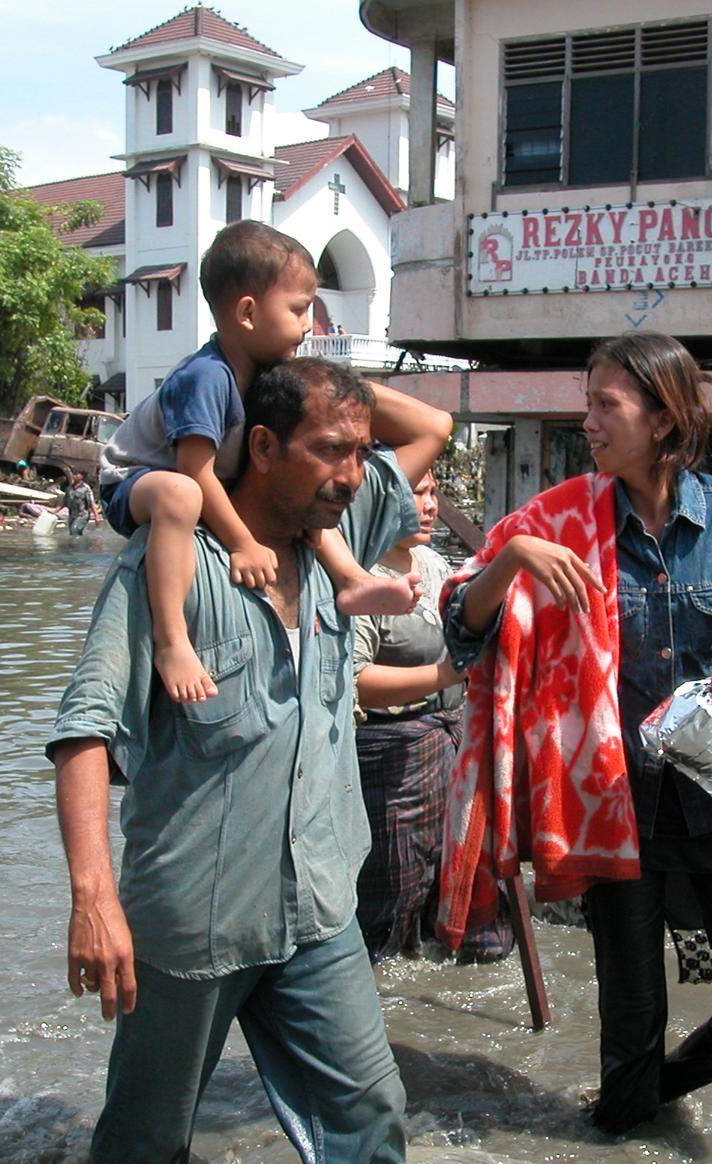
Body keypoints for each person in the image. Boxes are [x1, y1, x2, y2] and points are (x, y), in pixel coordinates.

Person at [50, 357, 452, 1164]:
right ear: (262, 446)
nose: (354, 475)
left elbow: (430, 429)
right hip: (194, 922)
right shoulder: (171, 563)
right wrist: (92, 896)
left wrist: (288, 365)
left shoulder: (341, 529)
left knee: (374, 1126)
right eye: (330, 451)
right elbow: (84, 730)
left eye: (360, 453)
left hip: (316, 909)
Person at [443, 332, 712, 1135]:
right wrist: (512, 559)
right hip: (616, 817)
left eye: (607, 404)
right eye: (587, 403)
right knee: (630, 1034)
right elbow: (462, 630)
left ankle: (637, 1100)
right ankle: (627, 1118)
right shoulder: (558, 520)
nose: (590, 423)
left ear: (664, 416)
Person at [95, 220, 417, 705]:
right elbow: (194, 471)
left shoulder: (258, 372)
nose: (310, 324)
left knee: (301, 496)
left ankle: (350, 579)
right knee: (180, 497)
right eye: (299, 309)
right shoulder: (207, 377)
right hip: (134, 480)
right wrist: (243, 543)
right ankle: (173, 641)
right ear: (247, 312)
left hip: (196, 481)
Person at [350, 470, 510, 962]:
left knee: (457, 869)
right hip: (390, 754)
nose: (428, 505)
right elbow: (353, 681)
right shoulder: (361, 578)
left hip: (452, 742)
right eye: (414, 493)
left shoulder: (435, 563)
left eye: (433, 492)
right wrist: (447, 675)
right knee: (393, 885)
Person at [65, 470, 100, 536]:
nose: (74, 476)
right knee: (72, 533)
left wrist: (96, 516)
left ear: (82, 476)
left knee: (75, 530)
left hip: (83, 515)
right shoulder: (69, 488)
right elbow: (64, 502)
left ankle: (80, 545)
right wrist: (55, 511)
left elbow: (91, 503)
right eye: (73, 474)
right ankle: (78, 545)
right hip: (72, 515)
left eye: (76, 474)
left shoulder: (86, 488)